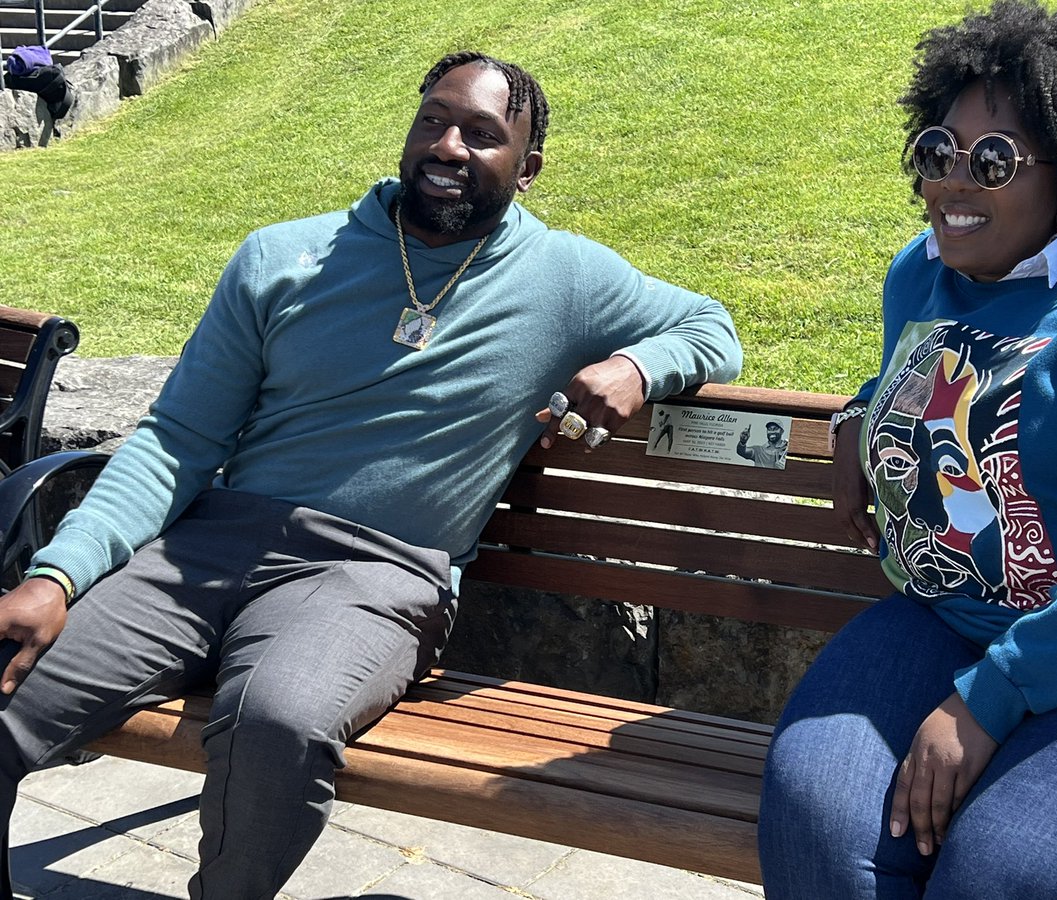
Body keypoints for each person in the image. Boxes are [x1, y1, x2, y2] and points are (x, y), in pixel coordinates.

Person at [0, 51, 741, 898]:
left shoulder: (566, 280)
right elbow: (177, 438)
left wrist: (641, 367)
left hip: (376, 573)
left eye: (482, 134)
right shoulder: (282, 258)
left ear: (527, 168)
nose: (448, 145)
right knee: (11, 673)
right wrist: (58, 575)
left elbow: (709, 325)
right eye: (433, 119)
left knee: (277, 720)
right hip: (206, 549)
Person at [758, 2, 1057, 897]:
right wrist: (855, 417)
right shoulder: (923, 269)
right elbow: (921, 386)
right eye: (936, 151)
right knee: (818, 835)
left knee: (1014, 872)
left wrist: (990, 698)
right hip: (948, 616)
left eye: (992, 160)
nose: (953, 184)